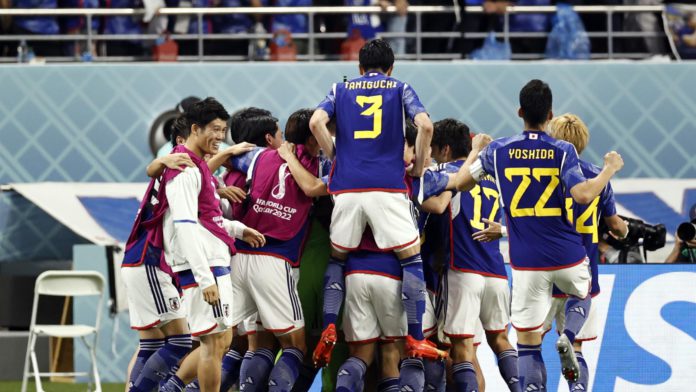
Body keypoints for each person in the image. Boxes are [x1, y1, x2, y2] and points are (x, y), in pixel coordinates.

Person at [453, 79, 624, 390]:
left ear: (520, 111)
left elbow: (462, 182)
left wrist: (476, 151)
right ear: (550, 113)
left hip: (526, 262)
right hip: (569, 255)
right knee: (583, 293)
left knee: (528, 345)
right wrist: (609, 169)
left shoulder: (499, 149)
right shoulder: (563, 152)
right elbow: (584, 196)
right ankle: (569, 339)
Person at [310, 40, 445, 391]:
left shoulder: (340, 88)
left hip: (348, 188)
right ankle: (415, 336)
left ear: (359, 68)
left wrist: (336, 154)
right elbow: (426, 126)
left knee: (338, 256)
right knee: (410, 257)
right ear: (391, 67)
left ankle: (328, 324)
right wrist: (418, 162)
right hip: (386, 187)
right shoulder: (399, 87)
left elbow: (316, 121)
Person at [156, 98, 264, 392]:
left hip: (213, 260)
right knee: (214, 343)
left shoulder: (197, 167)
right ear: (194, 129)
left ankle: (172, 387)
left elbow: (207, 219)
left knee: (221, 340)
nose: (220, 136)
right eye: (214, 129)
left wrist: (239, 230)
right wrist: (205, 278)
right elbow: (185, 226)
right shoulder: (184, 168)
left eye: (223, 130)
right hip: (203, 266)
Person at [226, 108, 321, 392]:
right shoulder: (323, 163)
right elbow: (315, 188)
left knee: (252, 342)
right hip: (275, 259)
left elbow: (222, 159)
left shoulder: (255, 156)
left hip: (238, 258)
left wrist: (227, 151)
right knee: (296, 346)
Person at [430, 118, 520, 392]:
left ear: (445, 150)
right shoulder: (492, 178)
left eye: (433, 149)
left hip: (462, 270)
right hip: (496, 272)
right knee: (501, 339)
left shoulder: (447, 173)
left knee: (461, 349)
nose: (431, 155)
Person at [541, 113, 629, 391]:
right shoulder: (596, 177)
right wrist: (623, 230)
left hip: (542, 267)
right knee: (575, 347)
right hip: (583, 269)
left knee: (528, 343)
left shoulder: (543, 175)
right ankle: (577, 388)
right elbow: (616, 225)